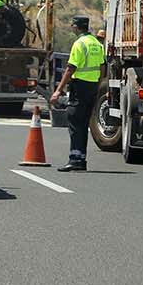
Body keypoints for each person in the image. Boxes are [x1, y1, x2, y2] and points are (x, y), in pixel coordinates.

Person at [51, 15, 105, 172]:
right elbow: (102, 67)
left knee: (75, 122)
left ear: (77, 27)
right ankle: (81, 159)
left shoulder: (79, 44)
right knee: (83, 123)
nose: (71, 28)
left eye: (73, 25)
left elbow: (70, 68)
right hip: (92, 87)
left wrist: (58, 90)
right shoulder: (96, 43)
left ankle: (75, 159)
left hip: (79, 87)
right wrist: (98, 84)